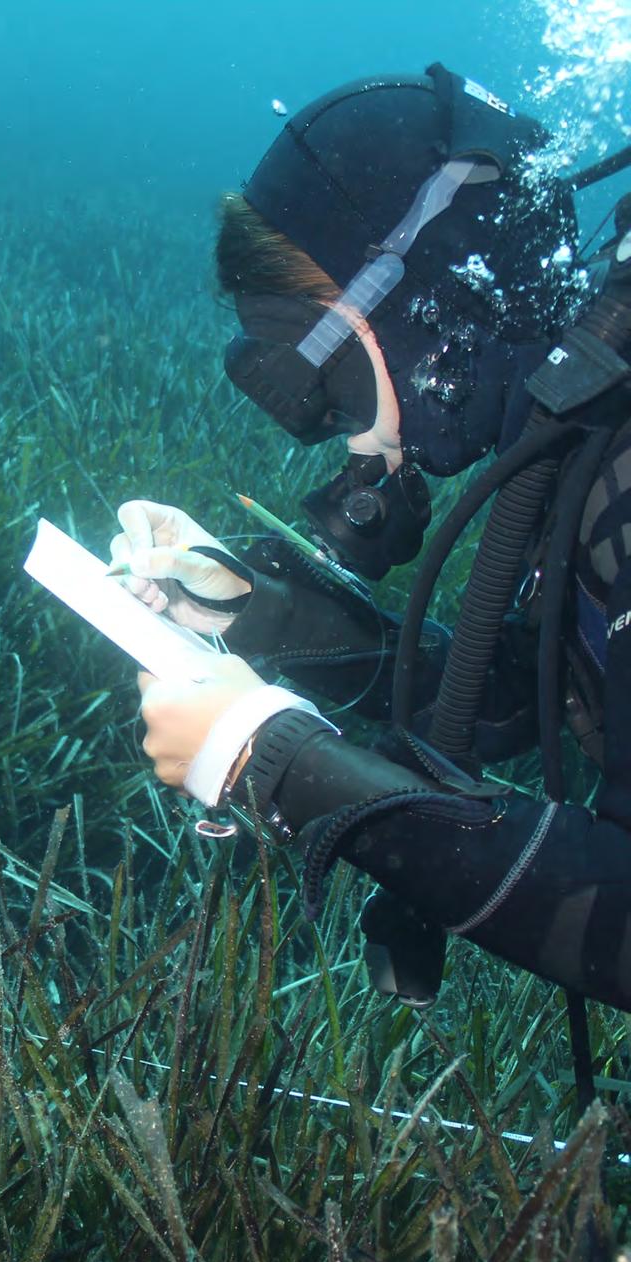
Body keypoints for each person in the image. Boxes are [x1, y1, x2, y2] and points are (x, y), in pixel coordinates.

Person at [112, 63, 631, 1018]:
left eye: (341, 386)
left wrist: (270, 755)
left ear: (430, 313)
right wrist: (262, 613)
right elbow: (519, 694)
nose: (363, 444)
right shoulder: (581, 456)